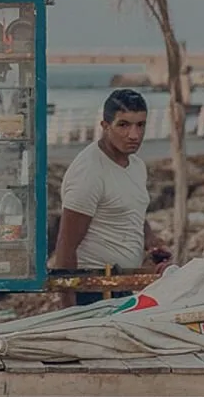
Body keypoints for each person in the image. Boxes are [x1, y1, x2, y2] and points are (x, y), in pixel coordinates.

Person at [50, 89, 169, 301]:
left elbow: (131, 207)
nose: (134, 135)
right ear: (105, 126)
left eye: (140, 125)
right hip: (94, 291)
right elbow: (65, 249)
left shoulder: (136, 165)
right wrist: (69, 313)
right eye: (123, 125)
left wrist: (150, 242)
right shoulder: (89, 173)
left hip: (123, 287)